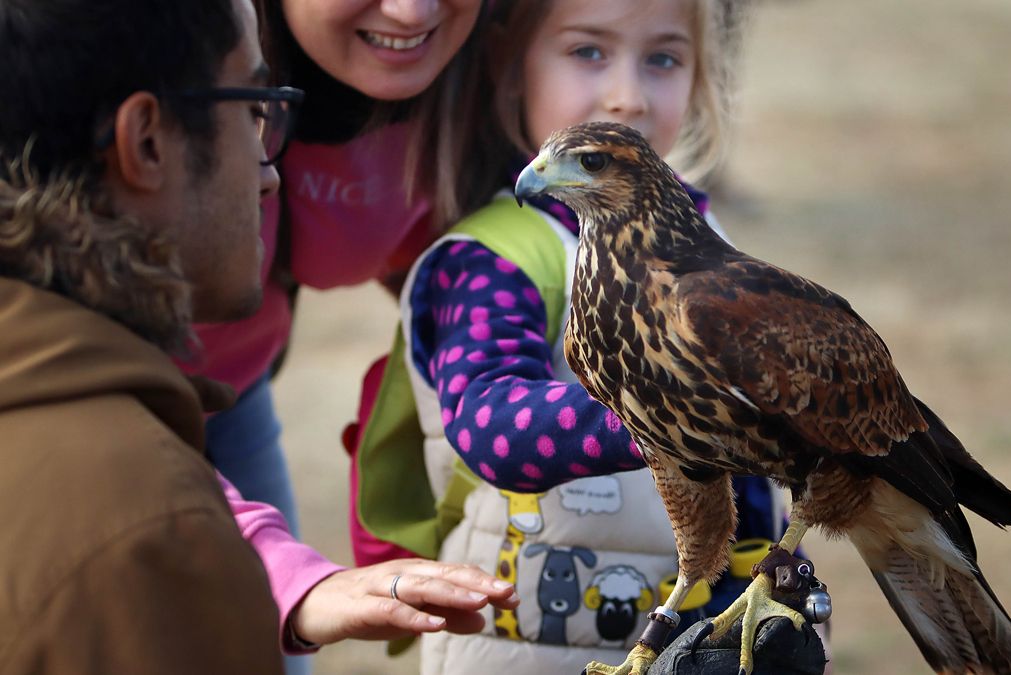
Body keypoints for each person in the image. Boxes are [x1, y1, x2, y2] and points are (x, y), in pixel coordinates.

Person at [0, 0, 517, 671]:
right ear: (146, 141)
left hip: (203, 391)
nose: (268, 169)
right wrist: (281, 575)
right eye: (253, 110)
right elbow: (147, 512)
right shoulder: (182, 44)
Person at [348, 1, 827, 673]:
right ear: (510, 72)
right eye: (588, 52)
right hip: (519, 641)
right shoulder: (496, 255)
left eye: (662, 58)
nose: (627, 95)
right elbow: (488, 423)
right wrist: (666, 417)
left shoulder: (706, 247)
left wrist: (787, 582)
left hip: (691, 637)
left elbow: (751, 476)